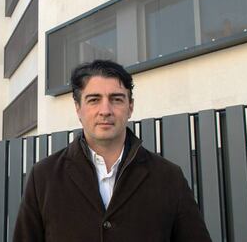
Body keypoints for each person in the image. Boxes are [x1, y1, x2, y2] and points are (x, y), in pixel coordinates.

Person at [13, 60, 212, 242]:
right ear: (78, 108)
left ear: (130, 106)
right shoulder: (44, 177)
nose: (105, 110)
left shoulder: (169, 177)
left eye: (116, 99)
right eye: (94, 100)